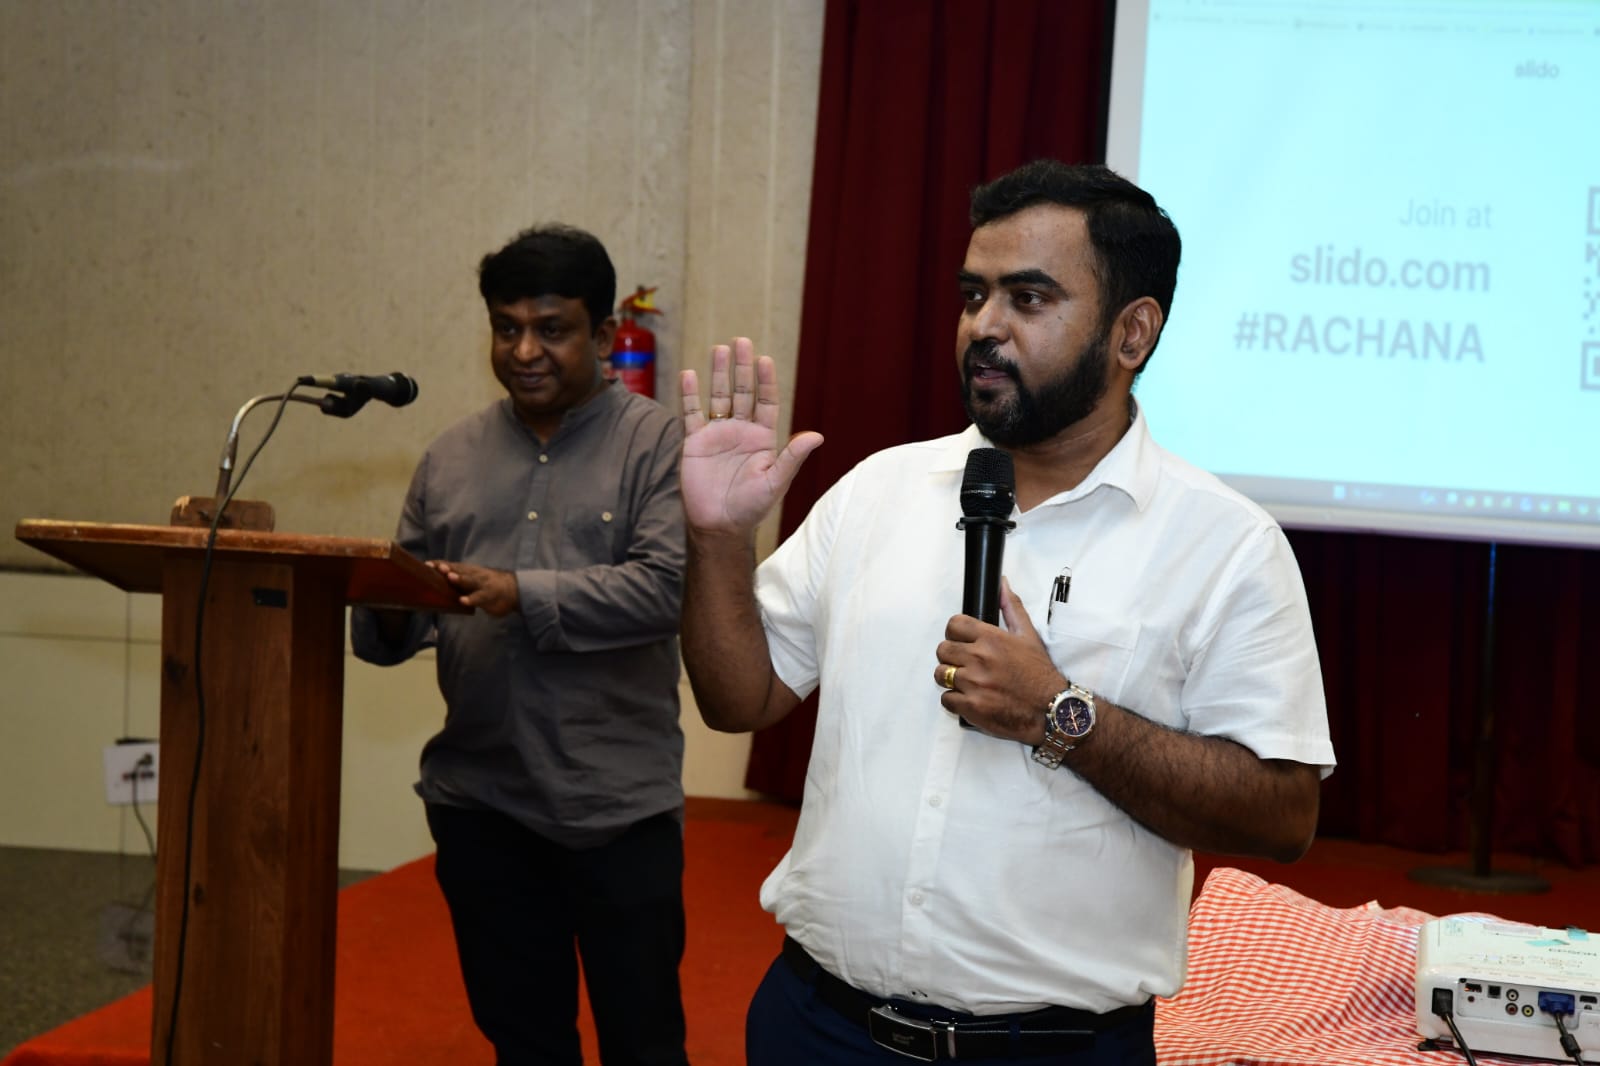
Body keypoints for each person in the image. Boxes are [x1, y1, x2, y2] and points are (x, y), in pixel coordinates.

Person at [677, 160, 1335, 1064]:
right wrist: (717, 541)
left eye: (1028, 298)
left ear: (1132, 332)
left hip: (1054, 1051)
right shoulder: (878, 490)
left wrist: (1058, 715)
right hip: (818, 1026)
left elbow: (1282, 815)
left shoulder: (1224, 545)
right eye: (973, 295)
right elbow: (738, 699)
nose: (983, 326)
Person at [351, 223, 690, 1066]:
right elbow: (397, 631)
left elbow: (663, 591)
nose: (525, 351)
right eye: (506, 328)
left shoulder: (658, 445)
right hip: (481, 806)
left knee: (644, 1043)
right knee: (524, 1044)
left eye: (552, 329)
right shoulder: (450, 457)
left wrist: (518, 592)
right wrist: (382, 598)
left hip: (616, 810)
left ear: (603, 336)